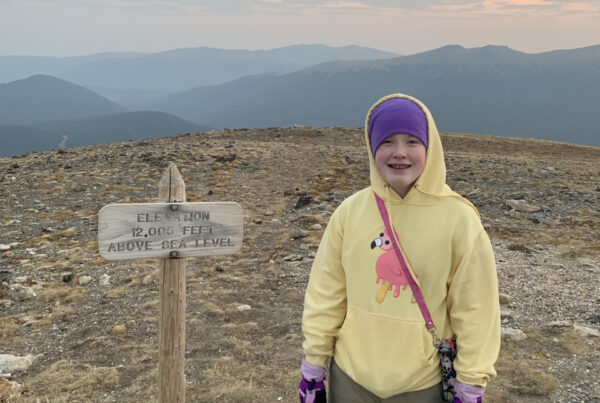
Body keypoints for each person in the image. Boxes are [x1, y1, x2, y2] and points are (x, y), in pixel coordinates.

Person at [298, 94, 501, 403]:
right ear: (372, 148)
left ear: (429, 148)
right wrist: (313, 364)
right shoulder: (350, 213)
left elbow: (477, 309)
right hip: (351, 379)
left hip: (422, 384)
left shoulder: (459, 220)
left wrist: (471, 383)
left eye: (412, 142)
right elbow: (326, 292)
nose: (399, 153)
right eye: (388, 142)